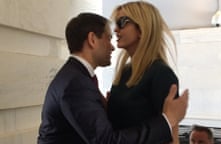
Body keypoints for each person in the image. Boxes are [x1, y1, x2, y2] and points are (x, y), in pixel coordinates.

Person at [37, 12, 189, 144]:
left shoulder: (76, 77)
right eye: (108, 38)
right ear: (92, 39)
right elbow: (107, 141)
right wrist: (167, 120)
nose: (112, 46)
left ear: (142, 29)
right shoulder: (77, 83)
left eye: (122, 23)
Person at [107, 1, 181, 144]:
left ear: (142, 29)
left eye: (122, 22)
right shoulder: (124, 72)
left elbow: (171, 134)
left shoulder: (161, 74)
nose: (116, 29)